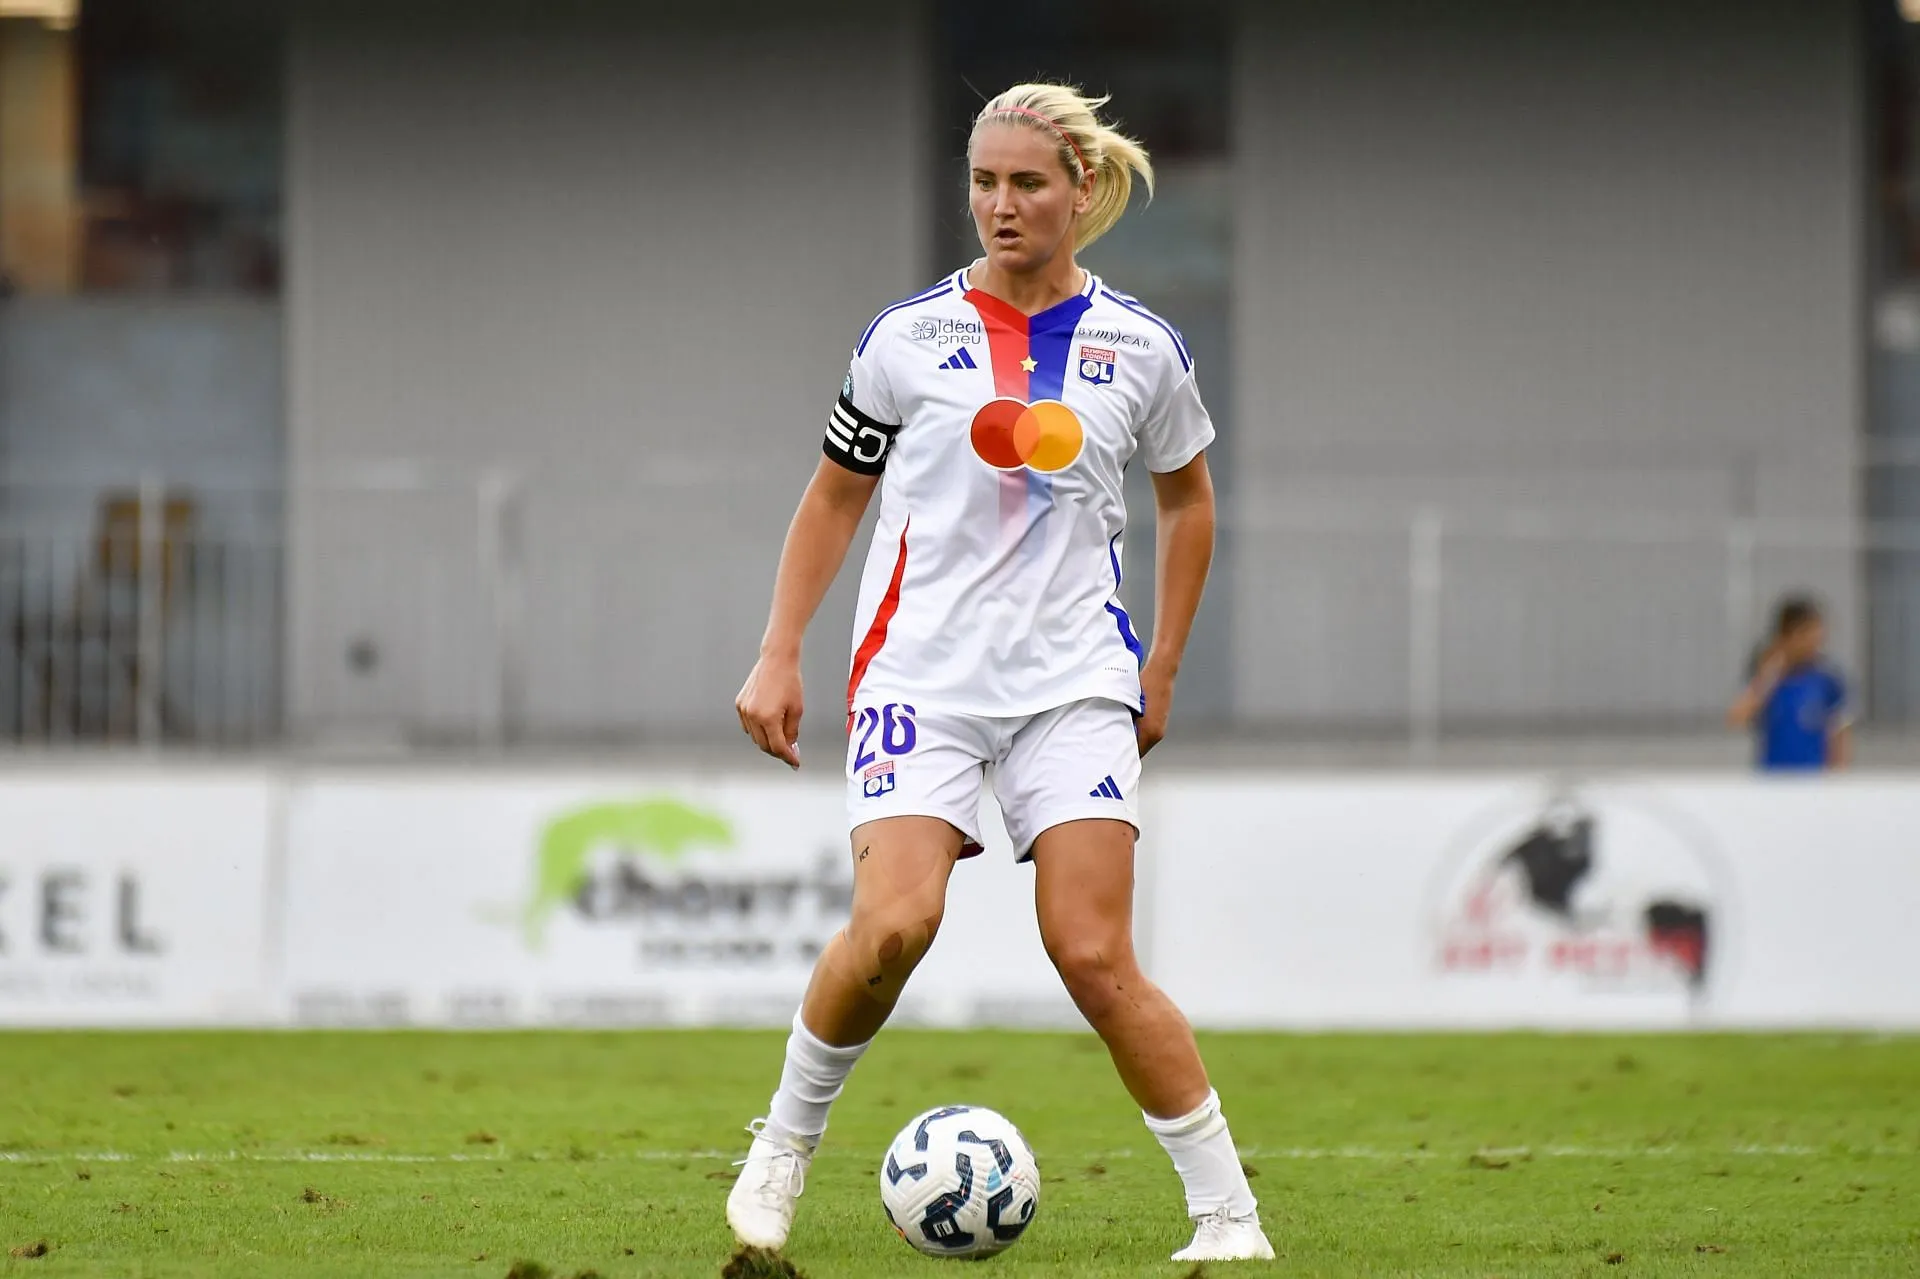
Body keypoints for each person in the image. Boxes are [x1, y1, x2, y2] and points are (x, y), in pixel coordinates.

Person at [726, 83, 1272, 1263]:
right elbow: (835, 495)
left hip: (1076, 685)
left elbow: (1190, 502)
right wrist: (780, 648)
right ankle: (780, 1146)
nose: (1000, 204)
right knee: (893, 928)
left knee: (1089, 951)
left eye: (1027, 183)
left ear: (1080, 189)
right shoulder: (904, 339)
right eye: (983, 181)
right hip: (920, 680)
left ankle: (1230, 1218)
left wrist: (1162, 663)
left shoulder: (1143, 349)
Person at [1727, 595, 1852, 771]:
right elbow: (1737, 718)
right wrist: (1768, 677)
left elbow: (1839, 734)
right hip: (1773, 782)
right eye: (1809, 634)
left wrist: (1838, 777)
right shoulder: (1767, 676)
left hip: (1814, 783)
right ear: (1788, 635)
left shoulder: (1827, 680)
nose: (1816, 642)